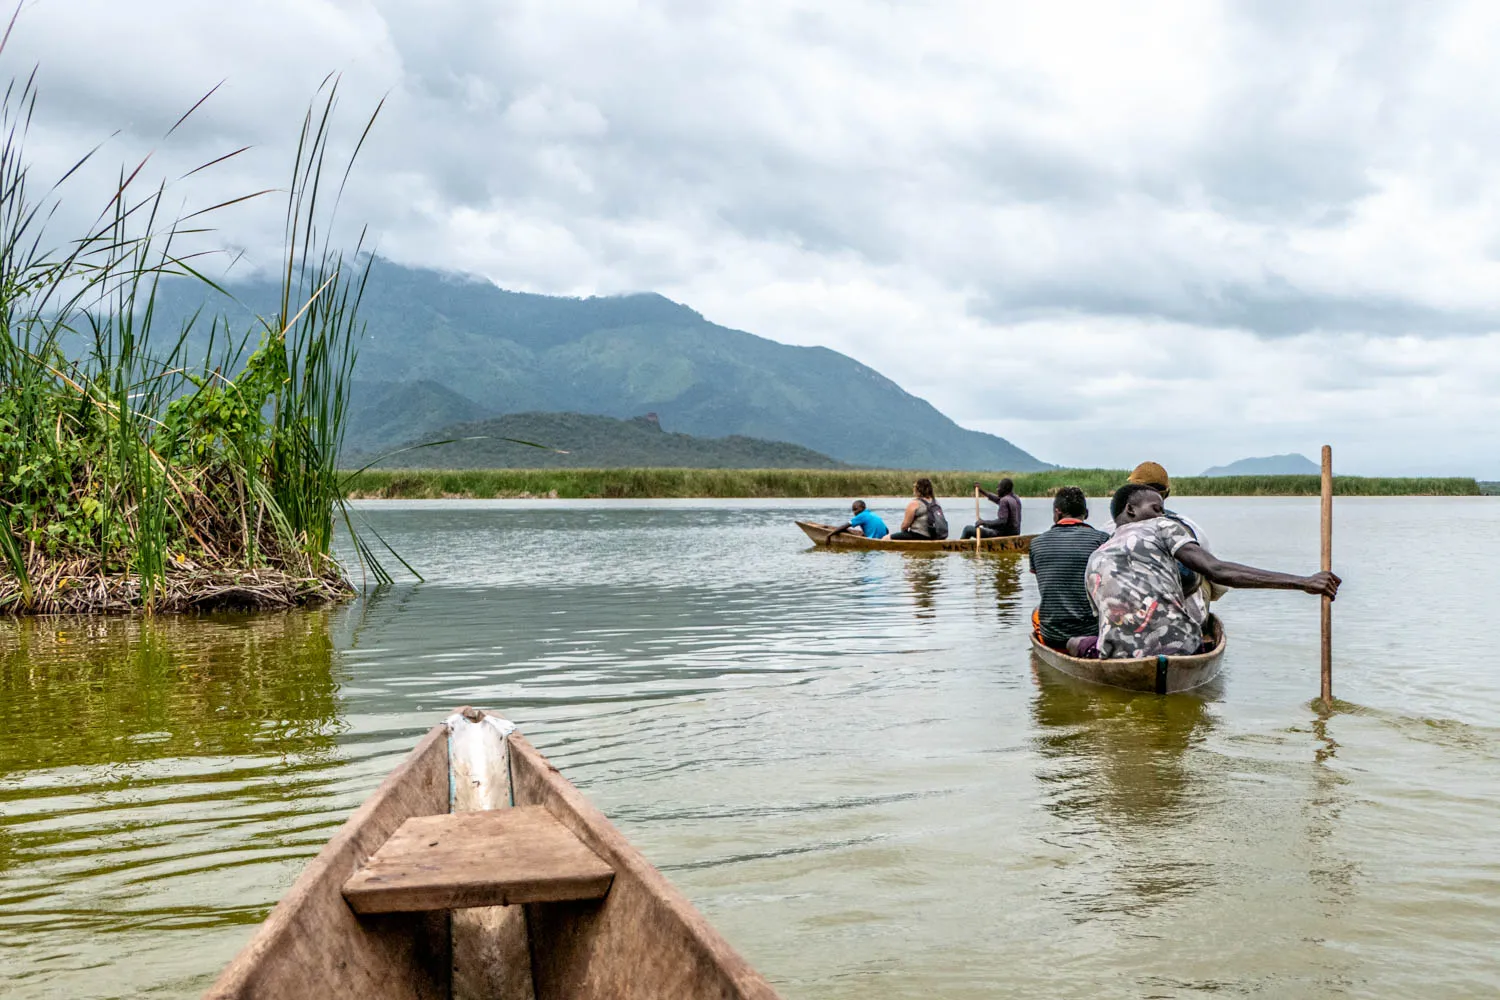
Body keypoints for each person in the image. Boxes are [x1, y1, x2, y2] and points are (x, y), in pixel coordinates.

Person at [1071, 483, 1340, 659]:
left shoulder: (1096, 556)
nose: (1162, 515)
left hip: (1121, 658)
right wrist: (1303, 582)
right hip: (1182, 650)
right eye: (1156, 509)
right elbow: (1217, 570)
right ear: (1130, 509)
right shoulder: (1163, 527)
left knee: (1074, 643)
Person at [1028, 486, 1110, 650]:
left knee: (1036, 612)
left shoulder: (1036, 544)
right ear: (1085, 514)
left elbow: (1046, 585)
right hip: (1094, 633)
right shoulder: (1102, 540)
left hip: (1053, 635)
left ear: (1057, 513)